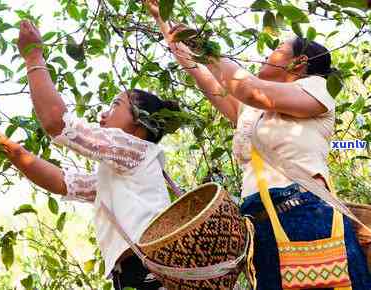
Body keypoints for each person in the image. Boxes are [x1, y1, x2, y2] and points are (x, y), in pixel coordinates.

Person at [145, 1, 371, 289]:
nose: (265, 55)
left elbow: (248, 88)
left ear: (297, 63)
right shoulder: (250, 113)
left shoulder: (318, 88)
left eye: (275, 50)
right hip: (260, 223)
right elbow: (200, 72)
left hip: (306, 210)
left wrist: (205, 47)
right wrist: (163, 19)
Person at [0, 20, 181, 290]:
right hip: (134, 272)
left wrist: (33, 55)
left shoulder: (135, 149)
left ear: (140, 127)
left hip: (149, 269)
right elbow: (64, 181)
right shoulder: (124, 173)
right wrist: (8, 147)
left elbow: (58, 124)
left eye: (115, 105)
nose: (103, 114)